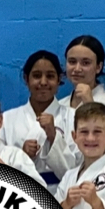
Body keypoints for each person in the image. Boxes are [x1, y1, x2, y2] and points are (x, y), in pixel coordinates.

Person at [11, 50, 72, 183]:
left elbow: (78, 169)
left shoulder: (74, 118)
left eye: (50, 76)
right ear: (26, 79)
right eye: (37, 76)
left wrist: (53, 136)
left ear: (59, 79)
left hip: (63, 191)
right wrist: (22, 156)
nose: (43, 82)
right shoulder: (8, 120)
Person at [65, 35, 105, 111]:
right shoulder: (60, 105)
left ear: (98, 67)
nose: (77, 69)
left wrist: (89, 103)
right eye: (72, 62)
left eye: (85, 63)